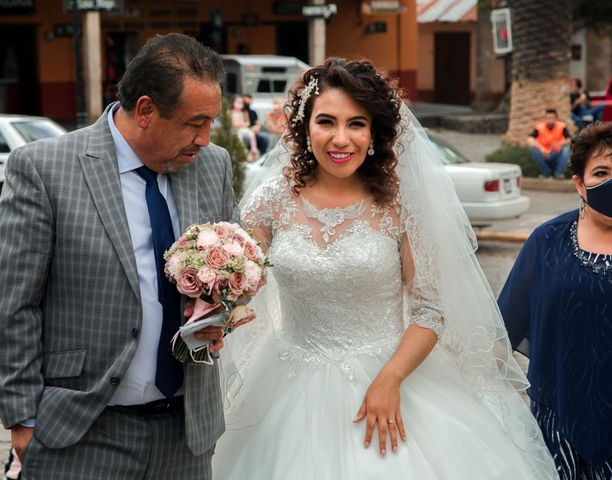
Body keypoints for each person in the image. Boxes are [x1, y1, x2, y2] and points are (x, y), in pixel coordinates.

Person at [212, 58, 558, 479]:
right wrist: (216, 291)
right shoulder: (271, 200)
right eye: (326, 122)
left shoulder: (399, 206)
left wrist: (389, 380)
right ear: (305, 128)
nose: (342, 139)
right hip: (285, 381)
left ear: (374, 132)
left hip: (394, 374)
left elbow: (430, 310)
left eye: (356, 123)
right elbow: (239, 281)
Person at [0, 33, 238, 479]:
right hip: (79, 432)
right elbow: (11, 303)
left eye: (211, 123)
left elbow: (232, 269)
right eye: (194, 123)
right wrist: (22, 417)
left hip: (184, 434)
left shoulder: (213, 165)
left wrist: (220, 314)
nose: (205, 139)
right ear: (145, 111)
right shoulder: (44, 169)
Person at [498, 122, 612, 480]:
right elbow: (501, 332)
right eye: (601, 173)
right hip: (554, 426)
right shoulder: (547, 241)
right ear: (579, 182)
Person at [527, 108, 572, 179]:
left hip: (556, 153)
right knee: (532, 148)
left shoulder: (562, 126)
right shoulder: (539, 127)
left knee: (567, 148)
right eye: (548, 118)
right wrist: (541, 148)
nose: (550, 120)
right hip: (543, 154)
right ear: (544, 119)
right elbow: (530, 139)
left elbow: (570, 139)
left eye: (552, 118)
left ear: (556, 118)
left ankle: (559, 174)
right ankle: (546, 173)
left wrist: (559, 144)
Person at [230, 95, 260, 161]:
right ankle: (243, 150)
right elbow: (231, 123)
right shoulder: (230, 112)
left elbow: (248, 123)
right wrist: (237, 124)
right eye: (238, 102)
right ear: (233, 102)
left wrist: (241, 124)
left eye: (241, 103)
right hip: (234, 129)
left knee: (251, 134)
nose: (240, 104)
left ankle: (254, 149)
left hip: (243, 128)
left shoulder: (244, 112)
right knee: (239, 136)